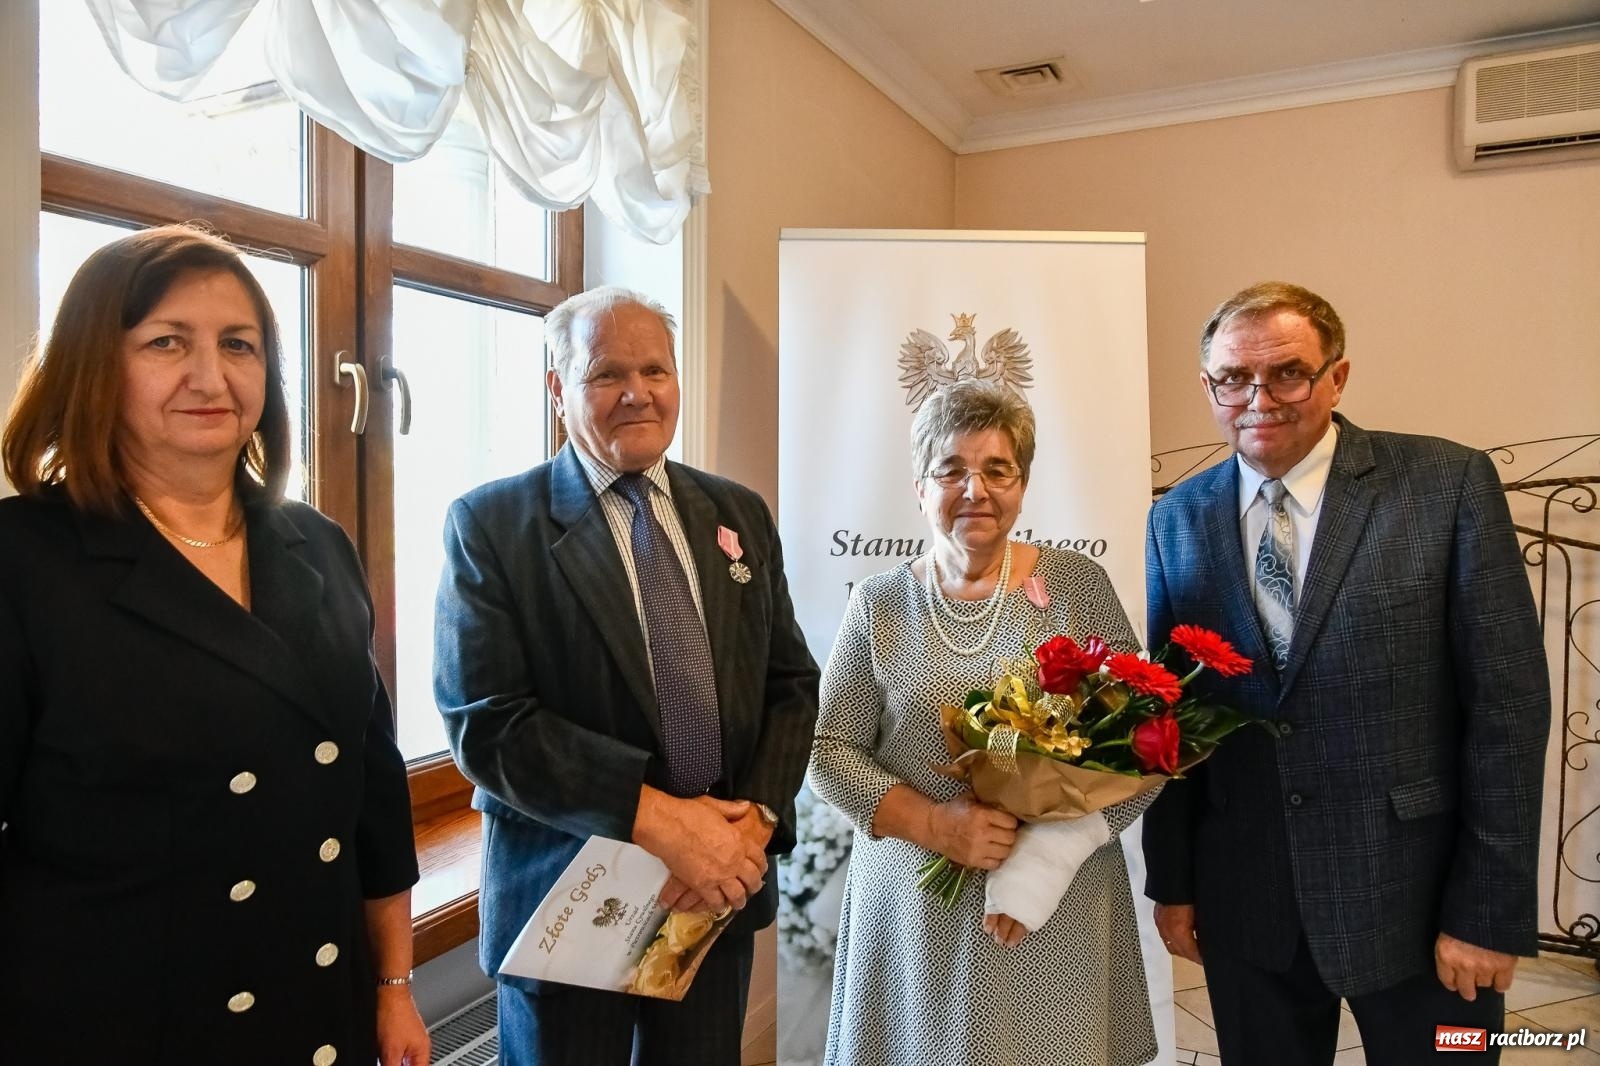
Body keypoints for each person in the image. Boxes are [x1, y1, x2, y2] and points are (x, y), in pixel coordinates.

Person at [0, 224, 428, 1066]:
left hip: (317, 1007)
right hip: (115, 1026)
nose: (211, 375)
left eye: (239, 344)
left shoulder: (318, 543)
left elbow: (371, 793)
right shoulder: (23, 559)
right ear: (95, 364)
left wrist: (395, 987)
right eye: (166, 342)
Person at [1143, 282, 1549, 1066]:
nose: (1258, 398)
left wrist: (1488, 911)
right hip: (1248, 903)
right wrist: (1177, 882)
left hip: (1420, 905)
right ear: (1209, 388)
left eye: (1287, 373)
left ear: (1338, 375)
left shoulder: (1445, 485)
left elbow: (1509, 710)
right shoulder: (1175, 518)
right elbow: (1174, 717)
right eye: (1233, 378)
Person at [433, 285, 819, 1065]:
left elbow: (789, 682)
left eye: (655, 369)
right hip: (569, 903)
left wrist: (754, 823)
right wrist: (663, 823)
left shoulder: (737, 512)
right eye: (607, 373)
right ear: (557, 390)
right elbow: (490, 722)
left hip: (712, 896)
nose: (637, 392)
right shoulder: (493, 525)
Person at [809, 379, 1158, 1066]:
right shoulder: (878, 604)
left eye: (997, 470)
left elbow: (1143, 738)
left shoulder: (1077, 585)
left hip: (1054, 907)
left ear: (1022, 484)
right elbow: (828, 751)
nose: (976, 489)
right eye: (951, 470)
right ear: (919, 486)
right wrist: (936, 825)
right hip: (916, 908)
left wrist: (1046, 855)